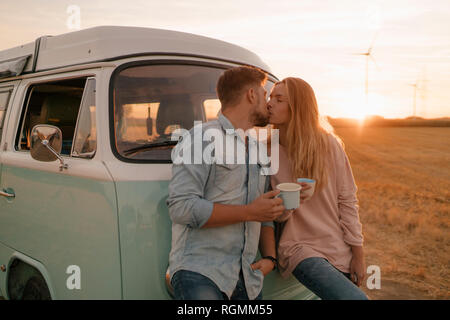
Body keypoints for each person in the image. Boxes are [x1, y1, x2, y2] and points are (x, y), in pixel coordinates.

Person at [166, 66, 284, 300]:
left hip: (248, 279)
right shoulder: (200, 138)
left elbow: (265, 214)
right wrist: (249, 211)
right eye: (263, 94)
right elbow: (181, 207)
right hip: (200, 272)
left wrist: (270, 257)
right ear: (251, 94)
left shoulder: (259, 151)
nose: (267, 102)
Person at [266, 77, 369, 300]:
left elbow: (347, 200)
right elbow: (272, 214)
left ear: (298, 107)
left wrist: (358, 254)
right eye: (270, 97)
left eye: (279, 99)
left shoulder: (329, 144)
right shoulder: (265, 150)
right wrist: (291, 202)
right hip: (298, 247)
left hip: (336, 247)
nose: (270, 103)